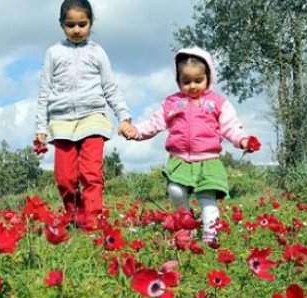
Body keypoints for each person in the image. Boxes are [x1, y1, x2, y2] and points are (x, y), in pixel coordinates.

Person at [125, 47, 257, 244]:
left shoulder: (218, 103)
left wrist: (243, 140)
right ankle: (186, 222)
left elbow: (230, 127)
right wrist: (135, 131)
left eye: (198, 80)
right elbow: (154, 123)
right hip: (180, 160)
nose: (192, 86)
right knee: (175, 191)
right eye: (186, 82)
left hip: (208, 161)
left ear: (208, 77)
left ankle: (210, 237)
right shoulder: (172, 103)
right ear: (178, 81)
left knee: (207, 200)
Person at [35, 0, 134, 230]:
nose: (77, 30)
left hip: (93, 119)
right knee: (65, 179)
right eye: (71, 25)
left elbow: (110, 87)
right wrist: (41, 126)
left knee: (91, 174)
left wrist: (124, 117)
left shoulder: (97, 52)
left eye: (82, 24)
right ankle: (75, 214)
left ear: (91, 22)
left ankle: (92, 224)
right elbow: (44, 91)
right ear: (61, 25)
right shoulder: (54, 53)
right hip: (61, 122)